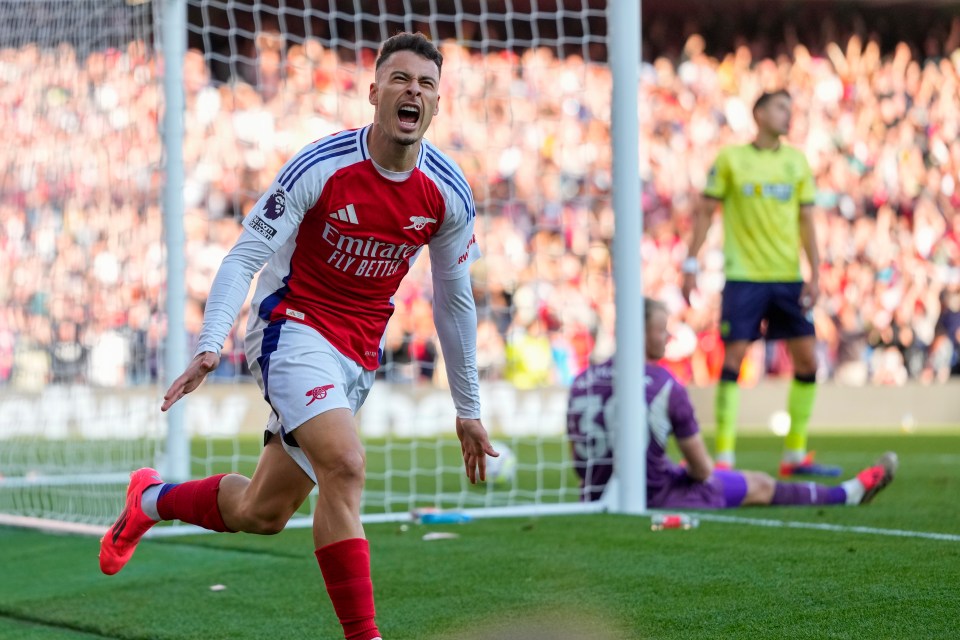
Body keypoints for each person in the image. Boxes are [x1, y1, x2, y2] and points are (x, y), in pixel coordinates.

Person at [99, 33, 498, 640]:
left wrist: (467, 408)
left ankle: (149, 500)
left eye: (425, 83)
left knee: (262, 512)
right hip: (293, 327)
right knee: (347, 462)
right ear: (373, 92)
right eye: (399, 79)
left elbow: (454, 299)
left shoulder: (447, 193)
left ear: (438, 103)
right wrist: (211, 343)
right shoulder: (322, 167)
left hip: (356, 355)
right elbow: (244, 256)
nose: (412, 91)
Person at [566, 298, 897, 509]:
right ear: (637, 332)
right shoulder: (665, 385)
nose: (667, 337)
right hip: (656, 497)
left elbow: (580, 458)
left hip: (594, 499)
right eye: (661, 330)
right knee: (760, 484)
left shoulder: (581, 381)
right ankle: (848, 494)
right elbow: (702, 470)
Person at [682, 89, 838, 476]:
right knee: (733, 359)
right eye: (782, 107)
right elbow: (705, 211)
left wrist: (815, 272)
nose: (789, 115)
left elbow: (806, 221)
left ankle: (794, 454)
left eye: (791, 107)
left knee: (807, 359)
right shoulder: (731, 160)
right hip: (744, 277)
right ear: (759, 113)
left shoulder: (796, 162)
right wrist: (690, 261)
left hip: (787, 278)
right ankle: (723, 459)